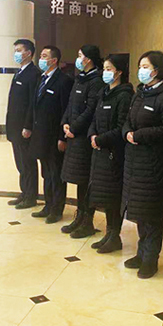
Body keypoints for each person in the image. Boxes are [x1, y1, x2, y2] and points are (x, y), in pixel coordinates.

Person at [121, 51, 163, 279]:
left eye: (146, 66)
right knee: (139, 211)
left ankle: (150, 259)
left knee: (152, 213)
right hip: (134, 162)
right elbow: (127, 120)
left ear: (157, 70)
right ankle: (141, 252)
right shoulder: (140, 94)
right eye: (140, 66)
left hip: (153, 164)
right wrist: (127, 133)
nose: (141, 70)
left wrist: (139, 135)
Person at [87, 54, 134, 253]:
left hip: (114, 154)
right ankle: (109, 233)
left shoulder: (124, 95)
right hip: (100, 152)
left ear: (119, 72)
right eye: (104, 69)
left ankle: (115, 235)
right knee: (105, 196)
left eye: (109, 69)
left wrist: (100, 140)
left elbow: (121, 126)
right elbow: (94, 119)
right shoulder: (104, 93)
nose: (105, 72)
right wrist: (92, 135)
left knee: (114, 197)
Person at [60, 45, 106, 238]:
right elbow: (70, 104)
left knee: (87, 181)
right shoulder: (80, 78)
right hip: (73, 136)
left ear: (89, 59)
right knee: (79, 180)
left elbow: (91, 110)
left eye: (80, 55)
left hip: (84, 138)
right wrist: (65, 123)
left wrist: (74, 128)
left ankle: (87, 220)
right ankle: (79, 216)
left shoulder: (96, 81)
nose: (78, 59)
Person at [29, 46, 74, 224]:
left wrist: (62, 138)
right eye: (41, 55)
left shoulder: (63, 81)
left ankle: (57, 209)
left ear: (54, 60)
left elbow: (65, 111)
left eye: (44, 56)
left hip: (55, 136)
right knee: (46, 173)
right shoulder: (42, 78)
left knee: (56, 174)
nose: (41, 59)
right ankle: (48, 205)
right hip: (41, 136)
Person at [6, 39, 41, 210]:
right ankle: (24, 192)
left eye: (19, 50)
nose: (16, 54)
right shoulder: (19, 72)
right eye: (15, 50)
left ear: (28, 53)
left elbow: (32, 104)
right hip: (15, 126)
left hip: (24, 128)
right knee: (20, 163)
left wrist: (28, 126)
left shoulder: (34, 74)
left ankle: (31, 196)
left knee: (28, 163)